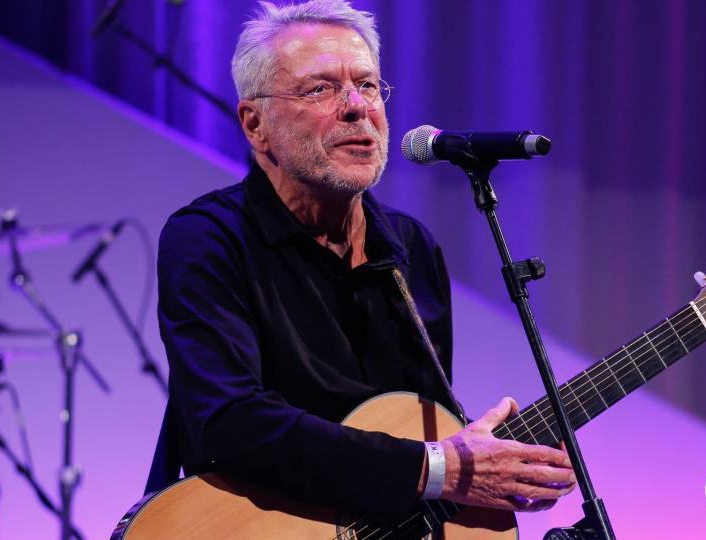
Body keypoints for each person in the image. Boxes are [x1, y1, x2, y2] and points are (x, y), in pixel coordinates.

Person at [147, 0, 575, 519]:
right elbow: (231, 423)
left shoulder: (411, 248)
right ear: (255, 124)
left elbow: (415, 433)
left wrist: (497, 475)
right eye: (320, 88)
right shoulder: (209, 239)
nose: (356, 107)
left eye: (368, 85)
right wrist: (444, 470)